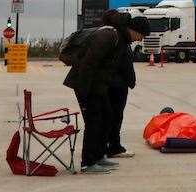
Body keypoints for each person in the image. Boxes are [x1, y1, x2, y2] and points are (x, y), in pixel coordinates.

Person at [62, 20, 121, 174]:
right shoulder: (107, 37)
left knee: (106, 117)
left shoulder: (114, 37)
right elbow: (89, 64)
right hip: (87, 87)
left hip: (95, 87)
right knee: (94, 122)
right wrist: (84, 92)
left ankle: (99, 155)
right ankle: (88, 162)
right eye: (140, 34)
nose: (140, 39)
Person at [103, 11, 148, 159]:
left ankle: (111, 146)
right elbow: (120, 64)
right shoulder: (120, 39)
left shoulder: (124, 39)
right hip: (114, 85)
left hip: (118, 84)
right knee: (112, 118)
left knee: (115, 117)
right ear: (134, 30)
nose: (141, 39)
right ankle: (112, 148)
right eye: (141, 35)